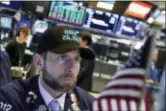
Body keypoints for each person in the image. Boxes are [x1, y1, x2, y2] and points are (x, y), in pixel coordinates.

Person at [0, 26, 95, 111]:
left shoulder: (89, 104)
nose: (72, 67)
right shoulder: (10, 98)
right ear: (38, 62)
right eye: (63, 58)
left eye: (76, 59)